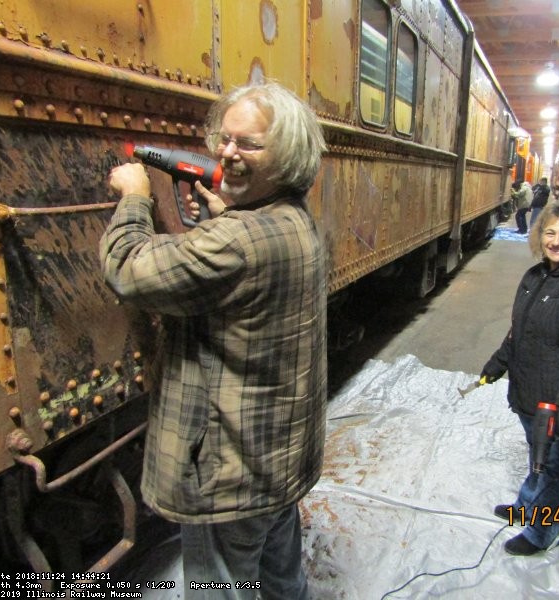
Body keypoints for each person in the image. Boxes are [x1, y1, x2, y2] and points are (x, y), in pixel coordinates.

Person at [100, 82, 328, 599]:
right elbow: (249, 252)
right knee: (281, 577)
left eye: (248, 144)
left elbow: (126, 270)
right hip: (277, 458)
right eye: (224, 139)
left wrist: (135, 198)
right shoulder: (293, 220)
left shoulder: (236, 242)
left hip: (231, 471)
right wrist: (225, 217)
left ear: (286, 155)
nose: (227, 153)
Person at [478, 200, 559, 556]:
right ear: (539, 236)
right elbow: (520, 331)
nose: (556, 241)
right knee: (537, 456)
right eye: (549, 232)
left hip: (556, 400)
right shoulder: (537, 276)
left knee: (553, 467)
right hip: (529, 391)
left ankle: (541, 531)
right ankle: (526, 505)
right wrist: (498, 362)